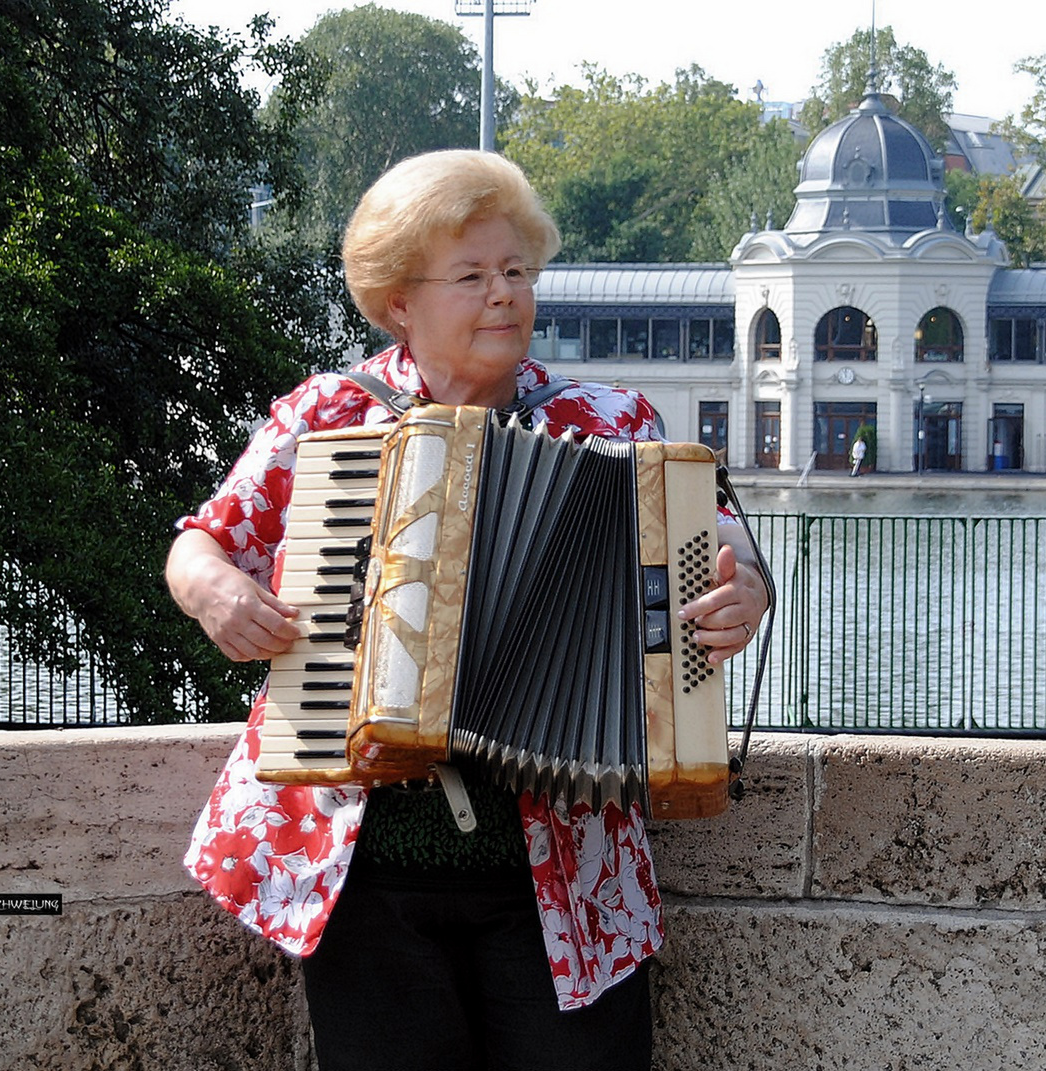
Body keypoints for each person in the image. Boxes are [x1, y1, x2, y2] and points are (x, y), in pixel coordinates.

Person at [165, 149, 769, 1071]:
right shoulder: (329, 416)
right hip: (360, 870)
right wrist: (215, 590)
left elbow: (729, 555)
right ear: (399, 300)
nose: (505, 295)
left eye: (517, 271)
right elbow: (199, 543)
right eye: (474, 275)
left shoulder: (612, 423)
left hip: (568, 871)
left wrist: (743, 597)